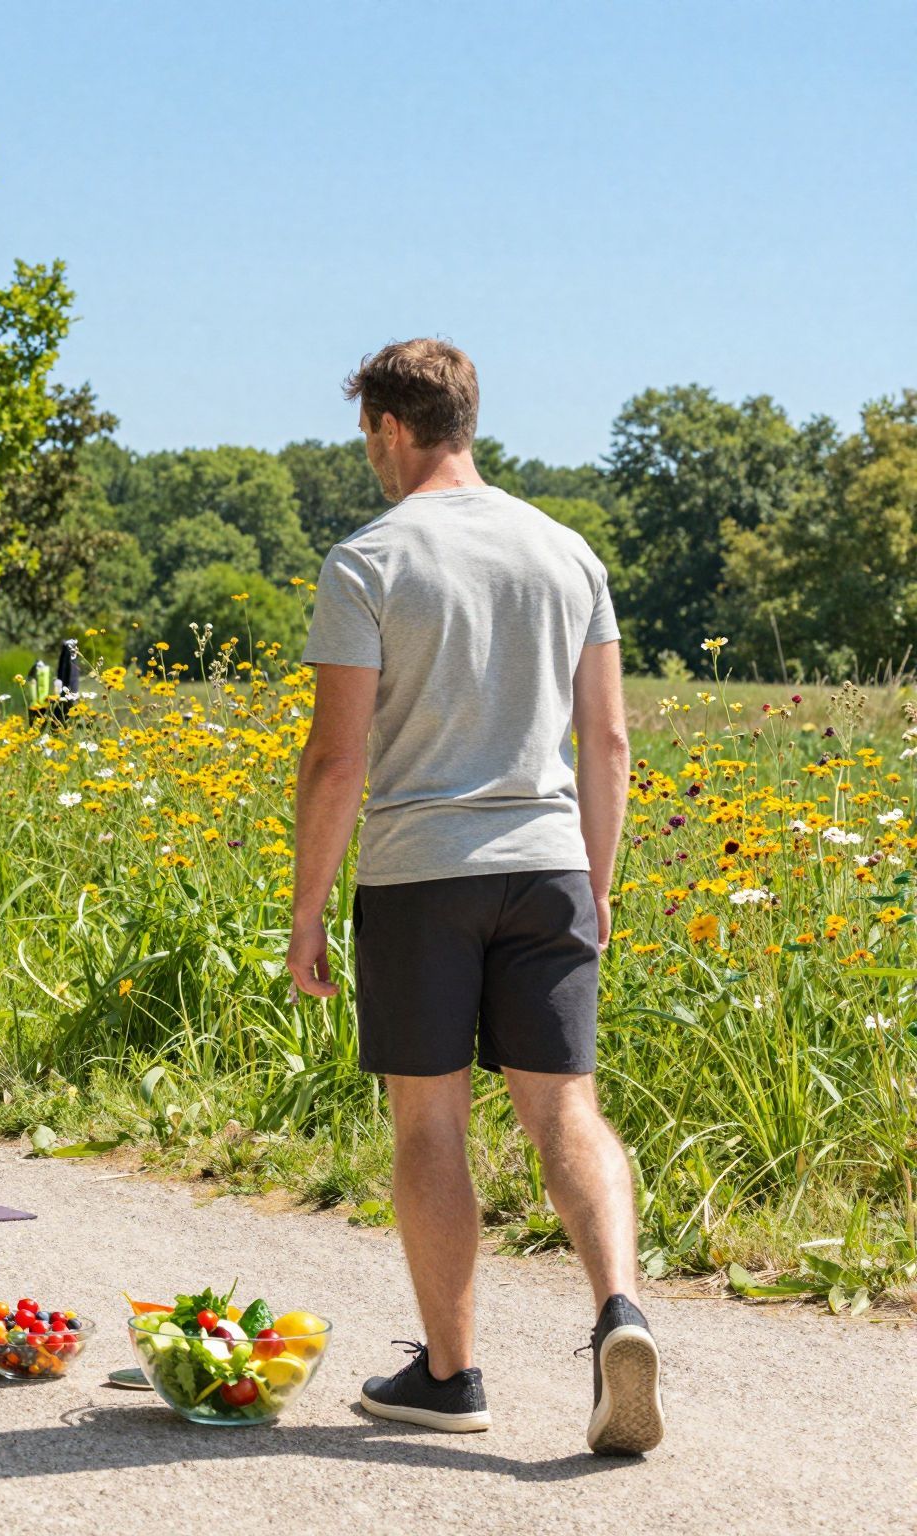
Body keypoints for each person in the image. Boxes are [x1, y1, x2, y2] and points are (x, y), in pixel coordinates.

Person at [287, 340, 663, 1455]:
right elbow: (605, 738)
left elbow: (335, 761)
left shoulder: (367, 560)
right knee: (565, 1111)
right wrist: (592, 887)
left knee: (430, 1120)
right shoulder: (563, 552)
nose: (367, 457)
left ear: (391, 429)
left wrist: (307, 912)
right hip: (548, 863)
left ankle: (448, 1377)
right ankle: (618, 1313)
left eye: (366, 436)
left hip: (422, 874)